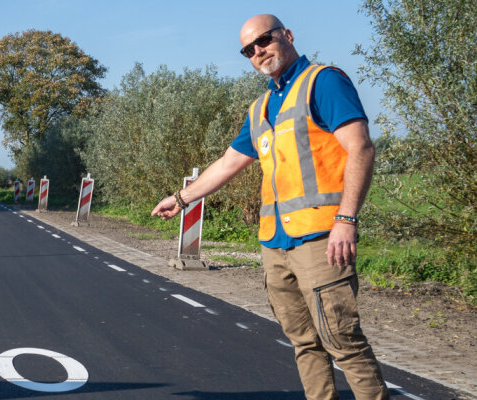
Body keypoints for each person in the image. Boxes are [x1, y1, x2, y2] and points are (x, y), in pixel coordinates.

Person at [151, 15, 388, 400]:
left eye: (264, 40)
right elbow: (229, 163)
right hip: (275, 243)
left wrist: (346, 219)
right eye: (249, 49)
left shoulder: (323, 81)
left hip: (322, 239)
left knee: (342, 340)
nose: (258, 51)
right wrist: (181, 199)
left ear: (287, 35)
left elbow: (361, 148)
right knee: (304, 343)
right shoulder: (260, 107)